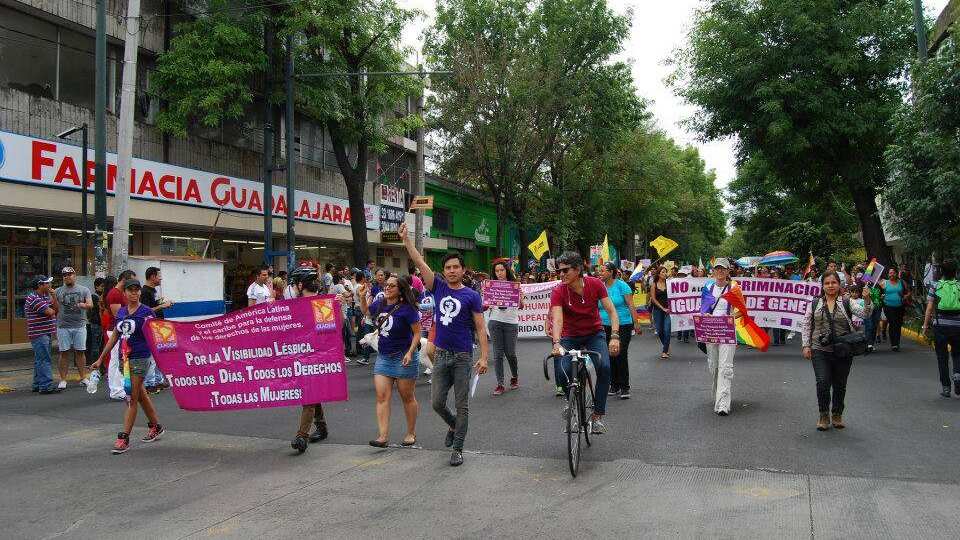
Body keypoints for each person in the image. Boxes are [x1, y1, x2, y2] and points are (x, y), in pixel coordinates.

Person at [398, 222, 488, 467]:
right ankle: (452, 424)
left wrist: (484, 356)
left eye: (455, 267)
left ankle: (458, 448)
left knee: (462, 405)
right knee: (437, 402)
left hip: (462, 356)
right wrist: (407, 241)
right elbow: (420, 263)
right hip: (441, 355)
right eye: (447, 267)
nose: (451, 271)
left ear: (462, 269)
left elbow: (480, 328)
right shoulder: (436, 286)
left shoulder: (471, 295)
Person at [90, 279, 165, 454]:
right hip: (124, 359)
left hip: (140, 357)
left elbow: (157, 335)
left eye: (137, 290)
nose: (134, 293)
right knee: (140, 395)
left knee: (131, 395)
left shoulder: (146, 313)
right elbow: (115, 336)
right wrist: (100, 359)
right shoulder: (122, 312)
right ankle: (157, 426)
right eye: (130, 290)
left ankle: (124, 437)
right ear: (124, 293)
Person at [549, 251, 620, 434]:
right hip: (569, 336)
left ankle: (597, 415)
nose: (561, 274)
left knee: (604, 367)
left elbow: (611, 311)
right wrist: (556, 343)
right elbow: (557, 319)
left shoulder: (595, 284)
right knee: (561, 369)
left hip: (594, 333)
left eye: (565, 270)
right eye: (559, 271)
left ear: (578, 269)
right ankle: (570, 399)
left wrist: (614, 336)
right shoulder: (558, 290)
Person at [801, 271, 872, 430]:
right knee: (823, 382)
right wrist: (806, 345)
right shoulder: (814, 303)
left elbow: (866, 314)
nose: (830, 286)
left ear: (839, 285)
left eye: (833, 283)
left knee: (840, 384)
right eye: (827, 283)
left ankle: (837, 414)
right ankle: (824, 415)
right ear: (822, 286)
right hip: (819, 349)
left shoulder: (847, 302)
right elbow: (806, 324)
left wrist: (867, 298)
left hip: (843, 350)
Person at [358, 275, 422, 447]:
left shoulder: (408, 309)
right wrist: (362, 297)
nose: (387, 288)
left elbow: (417, 333)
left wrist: (410, 352)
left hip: (404, 357)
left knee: (407, 397)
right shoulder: (380, 303)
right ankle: (383, 436)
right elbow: (367, 312)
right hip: (384, 357)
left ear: (400, 290)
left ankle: (411, 432)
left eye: (392, 286)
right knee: (381, 396)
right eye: (386, 285)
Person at [287, 265, 330, 453]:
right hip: (300, 355)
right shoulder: (294, 305)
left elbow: (327, 336)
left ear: (299, 284)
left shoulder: (321, 305)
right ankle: (321, 426)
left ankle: (301, 436)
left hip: (315, 357)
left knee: (309, 395)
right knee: (312, 394)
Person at [701, 258, 741, 416]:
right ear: (713, 271)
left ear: (728, 271)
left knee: (725, 367)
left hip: (727, 332)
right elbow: (703, 309)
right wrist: (705, 315)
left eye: (723, 269)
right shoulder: (707, 288)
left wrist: (731, 316)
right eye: (717, 268)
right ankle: (718, 395)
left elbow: (742, 310)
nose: (720, 271)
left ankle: (723, 403)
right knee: (714, 366)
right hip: (711, 332)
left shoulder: (734, 288)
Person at [598, 261, 639, 399]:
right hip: (604, 325)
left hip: (623, 324)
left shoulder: (622, 286)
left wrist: (636, 323)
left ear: (611, 272)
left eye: (603, 271)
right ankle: (614, 384)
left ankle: (624, 386)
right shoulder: (599, 287)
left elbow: (631, 305)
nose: (600, 273)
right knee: (609, 355)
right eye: (600, 270)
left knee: (620, 353)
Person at [922, 261, 960, 398]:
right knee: (957, 354)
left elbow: (930, 307)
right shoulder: (959, 285)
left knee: (942, 357)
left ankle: (946, 388)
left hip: (940, 326)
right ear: (955, 271)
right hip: (958, 326)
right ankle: (957, 375)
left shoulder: (935, 285)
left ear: (941, 272)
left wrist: (925, 325)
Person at [54, 267, 93, 390]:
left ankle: (83, 377)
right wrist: (52, 296)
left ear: (75, 275)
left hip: (80, 325)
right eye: (65, 275)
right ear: (63, 277)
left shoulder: (84, 289)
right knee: (63, 352)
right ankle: (63, 379)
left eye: (70, 274)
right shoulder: (58, 291)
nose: (67, 276)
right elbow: (54, 308)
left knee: (80, 352)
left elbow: (90, 304)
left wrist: (84, 305)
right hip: (63, 326)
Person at [487, 261, 522, 395]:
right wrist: (486, 301)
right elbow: (485, 305)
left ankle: (514, 376)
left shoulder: (515, 286)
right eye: (497, 271)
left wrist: (518, 297)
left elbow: (522, 305)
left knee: (510, 354)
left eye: (502, 270)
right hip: (495, 321)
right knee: (497, 354)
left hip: (511, 322)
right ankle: (500, 384)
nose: (499, 273)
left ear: (507, 271)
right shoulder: (491, 285)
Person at [140, 267, 173, 393]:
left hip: (159, 326)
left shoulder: (153, 291)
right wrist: (162, 305)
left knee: (160, 354)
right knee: (152, 356)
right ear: (152, 277)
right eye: (159, 276)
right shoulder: (145, 292)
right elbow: (146, 311)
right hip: (151, 326)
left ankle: (158, 380)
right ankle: (149, 383)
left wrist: (162, 303)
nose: (161, 278)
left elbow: (153, 306)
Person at [26, 276, 61, 394]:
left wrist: (54, 296)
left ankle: (37, 384)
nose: (50, 285)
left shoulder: (45, 296)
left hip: (45, 332)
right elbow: (51, 312)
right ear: (40, 285)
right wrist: (53, 305)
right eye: (47, 283)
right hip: (39, 333)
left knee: (39, 359)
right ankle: (46, 385)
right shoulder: (34, 298)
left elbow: (56, 309)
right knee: (44, 359)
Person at [105, 270, 136, 400]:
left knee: (119, 360)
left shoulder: (120, 293)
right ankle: (116, 390)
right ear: (124, 279)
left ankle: (119, 387)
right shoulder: (115, 294)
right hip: (115, 330)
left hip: (120, 330)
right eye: (131, 280)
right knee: (116, 360)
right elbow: (118, 315)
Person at [879, 266, 906, 351]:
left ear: (896, 273)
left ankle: (897, 342)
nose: (891, 275)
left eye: (893, 273)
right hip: (888, 306)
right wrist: (881, 296)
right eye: (890, 273)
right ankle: (893, 344)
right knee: (892, 322)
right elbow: (877, 290)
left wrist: (905, 296)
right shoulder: (884, 282)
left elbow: (908, 292)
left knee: (898, 324)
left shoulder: (901, 282)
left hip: (900, 306)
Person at [650, 266, 672, 359]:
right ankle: (666, 346)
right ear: (659, 274)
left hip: (668, 311)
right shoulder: (654, 284)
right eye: (663, 272)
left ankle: (665, 350)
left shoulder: (669, 284)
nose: (665, 274)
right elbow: (653, 299)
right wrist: (662, 308)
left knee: (667, 330)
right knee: (659, 330)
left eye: (665, 272)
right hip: (658, 310)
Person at [86, 277, 104, 369]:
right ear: (96, 287)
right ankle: (94, 363)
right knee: (95, 345)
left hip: (97, 323)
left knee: (98, 344)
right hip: (96, 323)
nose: (103, 288)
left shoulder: (98, 296)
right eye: (102, 286)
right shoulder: (95, 297)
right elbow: (96, 310)